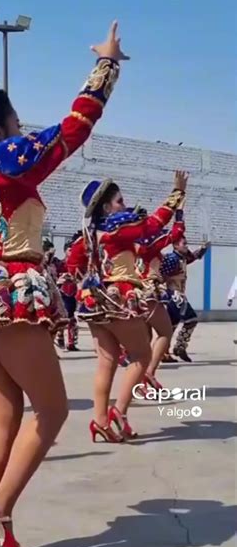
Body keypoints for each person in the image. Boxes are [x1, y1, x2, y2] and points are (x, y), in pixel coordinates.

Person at [0, 21, 128, 547]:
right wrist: (106, 67)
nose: (22, 125)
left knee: (4, 416)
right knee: (54, 410)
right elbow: (71, 130)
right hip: (12, 296)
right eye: (13, 117)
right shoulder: (11, 160)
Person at [76, 170, 188, 442]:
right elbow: (152, 224)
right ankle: (119, 413)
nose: (124, 206)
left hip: (96, 298)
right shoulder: (117, 227)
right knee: (141, 355)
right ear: (106, 206)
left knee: (106, 361)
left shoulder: (91, 233)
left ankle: (101, 420)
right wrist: (178, 194)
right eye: (119, 201)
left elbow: (73, 262)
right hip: (119, 296)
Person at [133, 207, 185, 388]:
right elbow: (176, 233)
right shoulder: (149, 242)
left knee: (145, 339)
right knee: (165, 332)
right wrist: (179, 212)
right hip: (149, 291)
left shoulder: (125, 241)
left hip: (133, 291)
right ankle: (148, 374)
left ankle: (140, 381)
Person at [161, 231, 210, 362]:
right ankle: (180, 347)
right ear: (176, 245)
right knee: (191, 319)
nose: (186, 246)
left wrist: (203, 248)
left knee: (170, 326)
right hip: (173, 294)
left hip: (178, 294)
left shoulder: (180, 258)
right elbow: (161, 277)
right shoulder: (172, 258)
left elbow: (193, 257)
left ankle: (163, 353)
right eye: (184, 244)